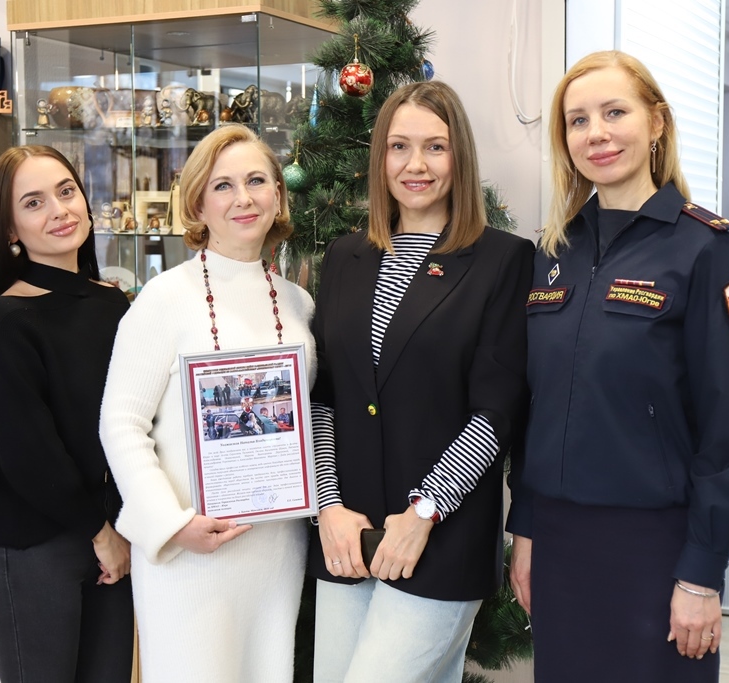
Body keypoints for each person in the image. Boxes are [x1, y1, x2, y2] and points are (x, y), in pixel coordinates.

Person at [506, 51, 729, 682]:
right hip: (559, 543)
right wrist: (526, 532)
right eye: (578, 120)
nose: (596, 133)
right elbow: (537, 407)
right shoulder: (553, 252)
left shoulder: (706, 249)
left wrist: (702, 572)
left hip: (656, 546)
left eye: (614, 112)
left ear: (656, 123)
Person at [309, 80, 534, 683]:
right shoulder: (344, 257)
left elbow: (496, 412)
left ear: (460, 157)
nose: (416, 165)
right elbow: (325, 398)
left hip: (440, 537)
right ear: (379, 158)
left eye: (435, 147)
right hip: (348, 535)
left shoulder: (503, 260)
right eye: (399, 147)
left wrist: (423, 513)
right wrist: (329, 508)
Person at [98, 123, 315, 682]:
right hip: (189, 554)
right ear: (198, 204)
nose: (243, 198)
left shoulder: (299, 304)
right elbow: (120, 423)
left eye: (257, 181)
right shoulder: (163, 299)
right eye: (223, 186)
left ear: (278, 195)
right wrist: (170, 525)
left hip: (276, 551)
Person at [0, 145, 133, 682]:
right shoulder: (6, 320)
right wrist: (100, 533)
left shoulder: (114, 303)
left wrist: (119, 529)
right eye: (33, 202)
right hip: (34, 548)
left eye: (66, 192)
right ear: (10, 229)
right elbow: (29, 454)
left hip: (113, 538)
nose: (59, 210)